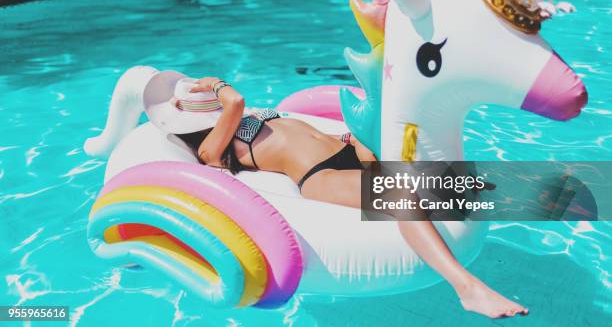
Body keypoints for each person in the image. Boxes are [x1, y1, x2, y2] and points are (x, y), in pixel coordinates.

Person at [145, 72, 528, 319]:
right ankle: (466, 287)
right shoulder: (212, 149)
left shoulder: (240, 120)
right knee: (402, 201)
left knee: (467, 183)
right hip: (320, 176)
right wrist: (214, 84)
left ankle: (560, 195)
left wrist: (353, 139)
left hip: (346, 149)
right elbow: (235, 101)